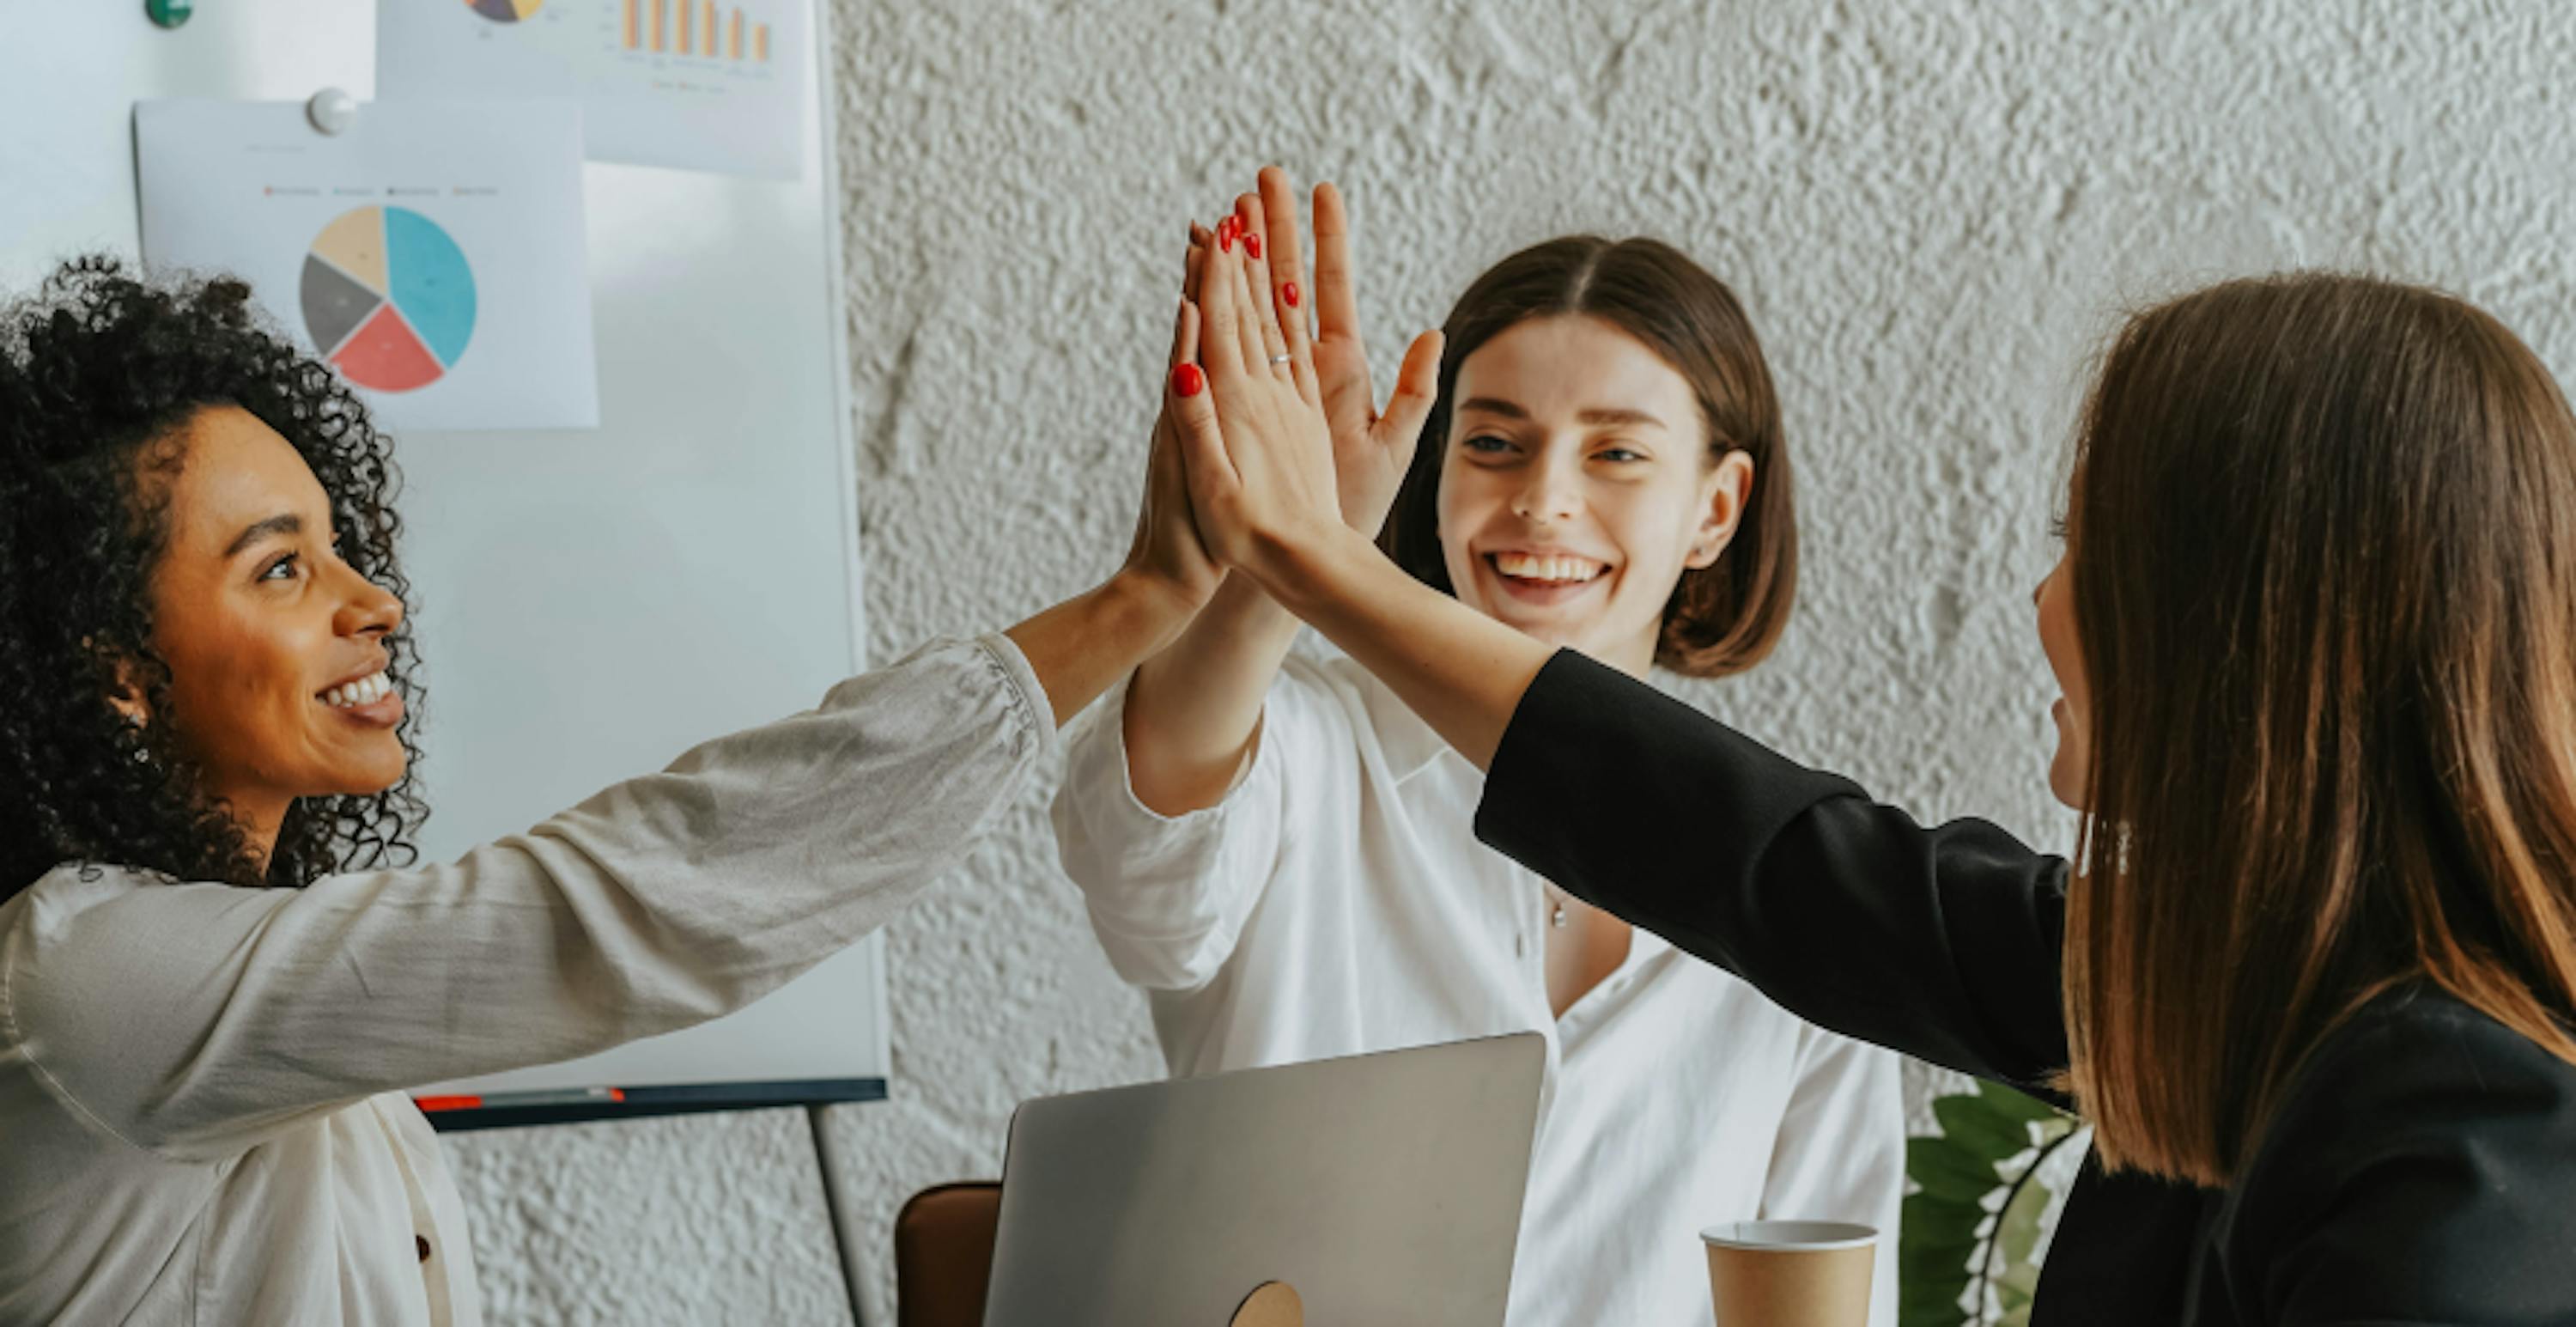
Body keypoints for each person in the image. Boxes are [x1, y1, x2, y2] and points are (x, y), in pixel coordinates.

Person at [1161, 178, 2576, 1324]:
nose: (2042, 605)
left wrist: (1318, 561)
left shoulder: (2463, 1132)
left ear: (2255, 638)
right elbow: (1777, 861)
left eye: (2090, 548)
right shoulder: (2242, 971)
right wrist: (1310, 568)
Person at [0, 257, 1216, 1325]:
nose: (372, 602)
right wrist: (1137, 602)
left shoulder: (226, 991)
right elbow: (627, 899)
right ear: (119, 677)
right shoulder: (94, 980)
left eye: (340, 544)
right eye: (281, 567)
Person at [1054, 173, 1901, 1325]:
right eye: (1494, 442)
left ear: (1717, 506)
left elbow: (1836, 1288)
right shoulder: (1306, 748)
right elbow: (1142, 878)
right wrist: (1286, 557)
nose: (1543, 501)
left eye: (1617, 455)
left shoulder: (1797, 876)